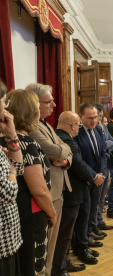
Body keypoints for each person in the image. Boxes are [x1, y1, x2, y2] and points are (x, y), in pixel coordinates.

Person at [5, 89, 56, 276]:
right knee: (32, 265)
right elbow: (39, 190)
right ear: (28, 112)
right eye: (36, 106)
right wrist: (52, 213)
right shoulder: (25, 143)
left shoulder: (6, 140)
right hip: (30, 212)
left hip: (15, 212)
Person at [26, 83, 73, 276]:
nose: (53, 105)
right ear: (35, 104)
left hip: (57, 189)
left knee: (53, 244)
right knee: (44, 246)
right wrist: (63, 151)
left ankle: (53, 271)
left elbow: (66, 147)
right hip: (46, 193)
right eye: (48, 102)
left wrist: (65, 157)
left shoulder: (46, 124)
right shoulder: (33, 128)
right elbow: (56, 150)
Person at [52, 112, 90, 275]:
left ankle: (64, 263)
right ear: (73, 125)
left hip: (69, 191)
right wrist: (93, 177)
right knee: (64, 234)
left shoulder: (58, 135)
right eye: (78, 125)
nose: (79, 129)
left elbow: (70, 158)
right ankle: (60, 268)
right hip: (69, 192)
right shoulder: (65, 139)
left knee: (66, 232)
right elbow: (77, 164)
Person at [73, 103, 107, 265]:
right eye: (90, 118)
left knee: (92, 210)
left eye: (96, 117)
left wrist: (101, 173)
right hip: (84, 179)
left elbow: (102, 152)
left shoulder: (99, 129)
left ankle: (86, 239)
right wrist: (93, 176)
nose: (94, 121)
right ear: (80, 117)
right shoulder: (76, 133)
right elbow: (78, 160)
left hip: (98, 178)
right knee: (83, 214)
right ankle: (81, 246)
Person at [0, 81, 24, 276]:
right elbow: (8, 192)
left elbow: (19, 168)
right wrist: (11, 172)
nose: (6, 107)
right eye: (4, 101)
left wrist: (11, 136)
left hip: (8, 235)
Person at [92, 102, 113, 233]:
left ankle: (100, 220)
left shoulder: (103, 127)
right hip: (97, 167)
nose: (100, 119)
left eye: (101, 116)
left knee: (102, 196)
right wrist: (104, 145)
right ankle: (93, 224)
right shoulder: (92, 127)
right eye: (98, 116)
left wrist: (103, 145)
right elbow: (98, 145)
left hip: (106, 164)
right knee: (96, 197)